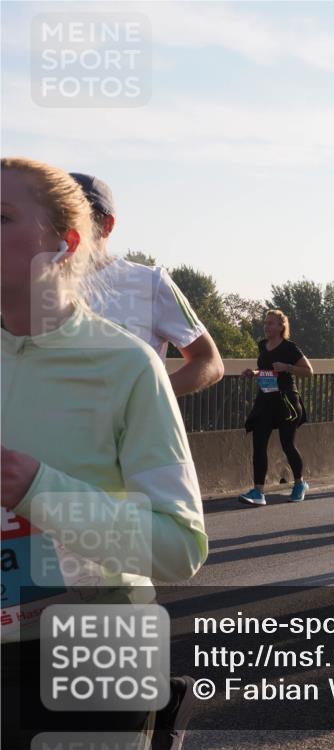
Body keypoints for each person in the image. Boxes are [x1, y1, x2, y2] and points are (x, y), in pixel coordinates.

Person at [1, 157, 207, 747]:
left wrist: (40, 491)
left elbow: (179, 548)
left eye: (1, 216)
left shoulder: (127, 366)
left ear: (64, 244)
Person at [70, 173, 224, 397]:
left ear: (107, 225)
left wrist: (146, 398)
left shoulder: (151, 282)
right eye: (55, 215)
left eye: (75, 214)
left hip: (130, 421)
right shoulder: (35, 284)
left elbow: (210, 362)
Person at [238, 310, 313, 506]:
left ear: (281, 327)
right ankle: (258, 492)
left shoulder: (290, 348)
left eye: (271, 323)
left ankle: (299, 484)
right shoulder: (262, 345)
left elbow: (308, 371)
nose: (267, 326)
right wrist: (254, 373)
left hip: (286, 402)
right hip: (265, 400)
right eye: (266, 323)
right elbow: (266, 370)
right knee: (259, 444)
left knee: (288, 444)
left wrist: (287, 367)